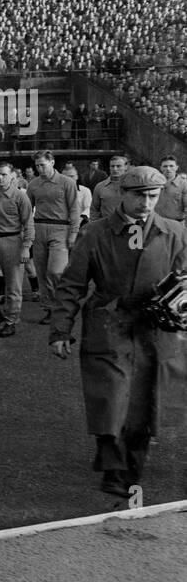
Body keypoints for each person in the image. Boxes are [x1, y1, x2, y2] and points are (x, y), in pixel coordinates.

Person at [50, 166, 187, 498]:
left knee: (141, 405)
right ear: (122, 194)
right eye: (139, 195)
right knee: (110, 397)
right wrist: (60, 330)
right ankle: (113, 466)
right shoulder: (94, 233)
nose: (146, 203)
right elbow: (72, 283)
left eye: (153, 196)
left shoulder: (174, 232)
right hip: (107, 322)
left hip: (154, 328)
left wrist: (179, 305)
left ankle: (130, 471)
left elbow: (184, 278)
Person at [0, 162, 35, 337]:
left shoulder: (20, 197)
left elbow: (28, 223)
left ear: (12, 176)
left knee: (13, 285)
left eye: (3, 174)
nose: (0, 178)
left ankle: (11, 321)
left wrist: (26, 247)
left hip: (12, 240)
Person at [26, 150, 81, 325]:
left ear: (52, 162)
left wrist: (73, 233)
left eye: (42, 164)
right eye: (37, 165)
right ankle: (50, 308)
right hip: (39, 227)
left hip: (60, 228)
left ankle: (64, 304)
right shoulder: (33, 184)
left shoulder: (67, 182)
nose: (40, 168)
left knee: (56, 270)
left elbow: (74, 209)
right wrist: (27, 234)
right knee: (41, 272)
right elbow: (27, 211)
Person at [91, 154, 129, 221]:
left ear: (126, 167)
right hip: (106, 227)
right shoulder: (100, 187)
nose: (115, 169)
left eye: (118, 166)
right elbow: (94, 210)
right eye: (112, 166)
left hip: (128, 226)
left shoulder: (132, 186)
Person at [155, 156, 187, 223]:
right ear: (160, 168)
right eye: (165, 166)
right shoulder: (154, 182)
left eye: (171, 166)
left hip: (176, 223)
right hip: (156, 222)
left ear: (176, 167)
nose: (168, 169)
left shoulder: (184, 184)